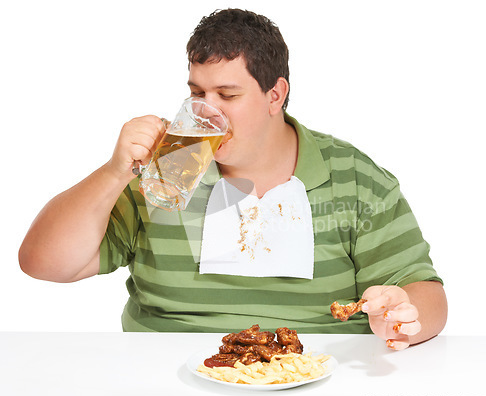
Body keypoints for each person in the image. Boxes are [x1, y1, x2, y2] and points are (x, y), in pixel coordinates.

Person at [19, 8, 447, 350]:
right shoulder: (168, 167)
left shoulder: (354, 178)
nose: (208, 111)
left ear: (275, 95)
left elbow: (424, 291)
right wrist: (115, 171)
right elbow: (44, 263)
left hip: (316, 381)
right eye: (197, 93)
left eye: (227, 95)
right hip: (162, 383)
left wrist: (404, 313)